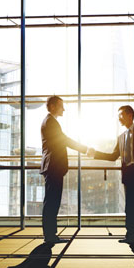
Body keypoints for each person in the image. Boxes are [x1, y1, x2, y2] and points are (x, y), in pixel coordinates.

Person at [87, 105, 134, 244]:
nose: (119, 118)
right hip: (129, 175)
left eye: (121, 114)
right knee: (130, 207)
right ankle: (130, 236)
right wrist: (95, 154)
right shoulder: (121, 137)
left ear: (129, 115)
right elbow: (113, 156)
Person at [40, 96, 88, 244]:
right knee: (52, 202)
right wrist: (84, 148)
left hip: (53, 166)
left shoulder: (49, 121)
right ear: (53, 106)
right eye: (61, 106)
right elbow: (64, 140)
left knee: (52, 201)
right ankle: (50, 236)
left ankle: (50, 235)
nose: (64, 109)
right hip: (53, 166)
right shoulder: (51, 122)